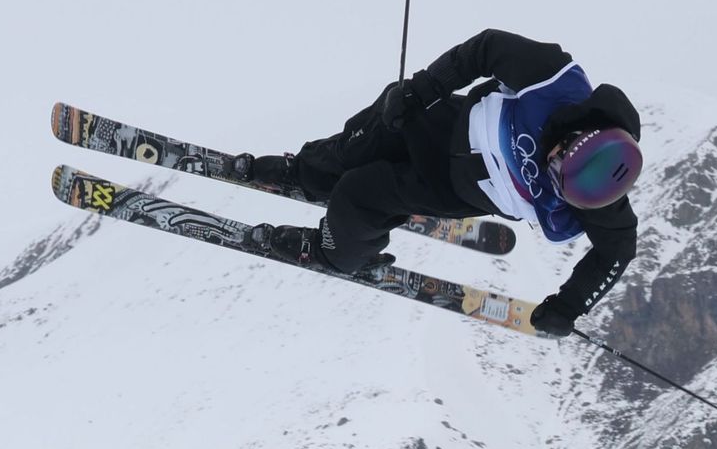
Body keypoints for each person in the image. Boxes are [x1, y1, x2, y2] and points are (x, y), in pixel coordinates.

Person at [230, 29, 642, 338]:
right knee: (369, 134)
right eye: (556, 162)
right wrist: (423, 89)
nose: (548, 170)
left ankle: (336, 252)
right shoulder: (554, 81)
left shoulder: (599, 200)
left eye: (557, 181)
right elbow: (486, 48)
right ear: (575, 136)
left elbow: (616, 251)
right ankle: (307, 173)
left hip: (460, 187)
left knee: (362, 191)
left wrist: (569, 306)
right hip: (453, 124)